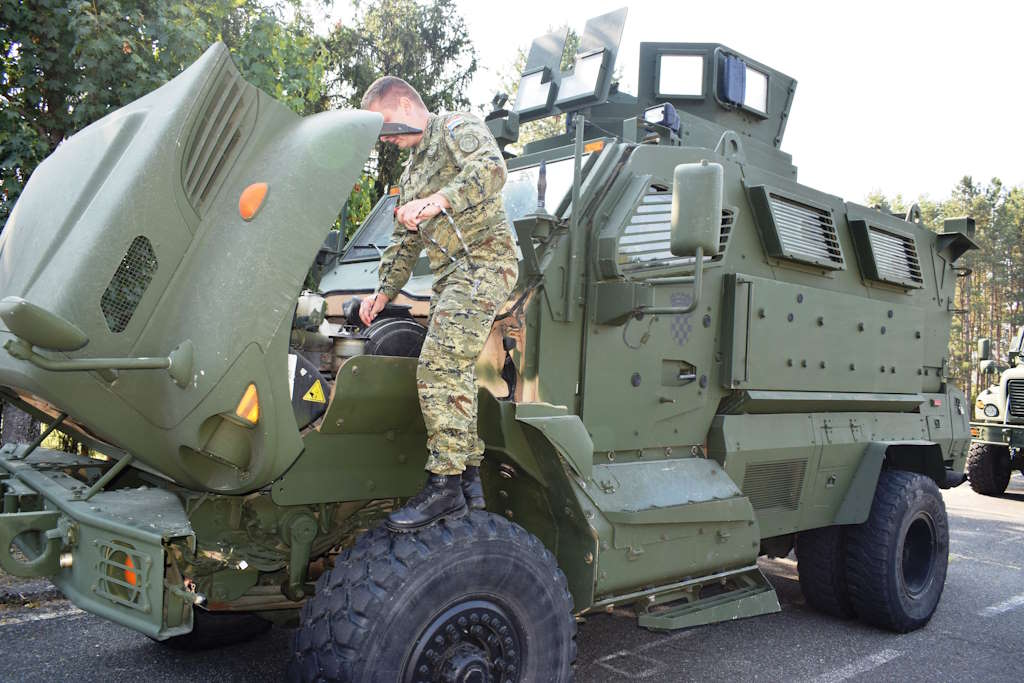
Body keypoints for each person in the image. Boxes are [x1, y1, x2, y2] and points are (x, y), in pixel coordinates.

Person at [359, 76, 519, 532]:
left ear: (407, 104)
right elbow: (403, 245)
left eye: (388, 129)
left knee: (439, 364)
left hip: (487, 263)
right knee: (456, 374)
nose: (388, 141)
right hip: (452, 277)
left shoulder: (454, 128)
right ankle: (469, 481)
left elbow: (491, 169)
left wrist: (439, 200)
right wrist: (382, 293)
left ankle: (444, 484)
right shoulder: (410, 175)